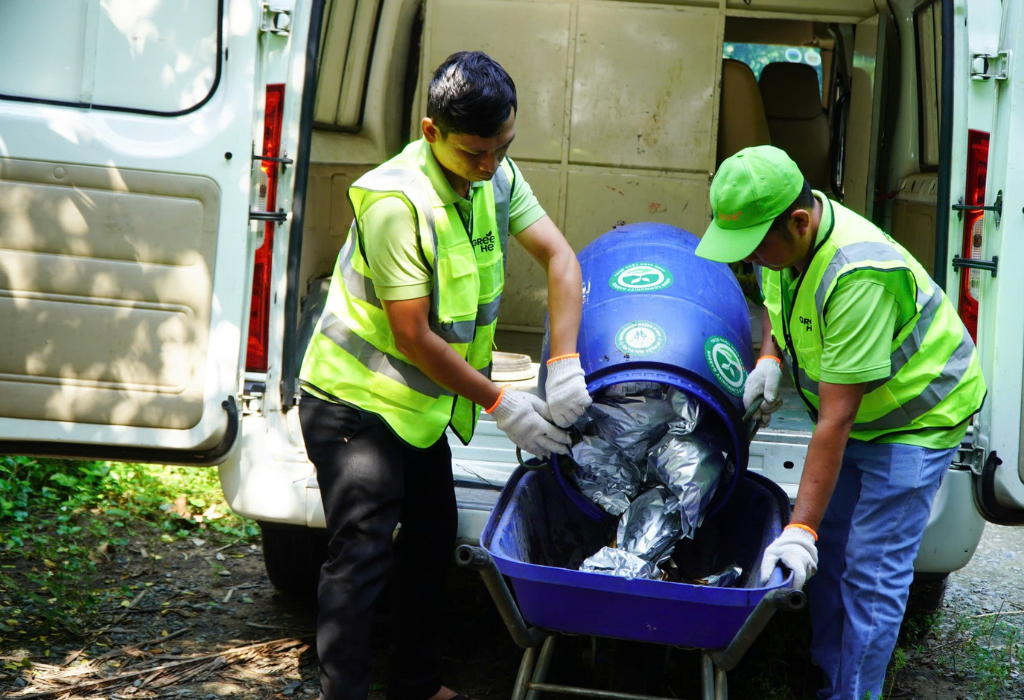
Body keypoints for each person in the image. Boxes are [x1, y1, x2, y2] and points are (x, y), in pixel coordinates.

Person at [297, 51, 591, 700]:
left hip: (418, 411)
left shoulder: (499, 177)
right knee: (363, 555)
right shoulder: (394, 201)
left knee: (431, 539)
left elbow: (561, 259)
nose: (488, 167)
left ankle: (416, 685)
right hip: (353, 405)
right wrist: (500, 404)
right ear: (431, 133)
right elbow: (411, 333)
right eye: (474, 153)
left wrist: (564, 362)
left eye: (501, 147)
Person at [695, 145, 986, 700]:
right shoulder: (785, 245)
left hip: (917, 418)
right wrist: (770, 357)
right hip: (861, 415)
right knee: (828, 559)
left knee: (870, 574)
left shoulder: (859, 274)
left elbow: (835, 420)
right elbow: (779, 306)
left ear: (799, 222)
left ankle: (856, 694)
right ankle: (829, 677)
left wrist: (797, 528)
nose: (748, 259)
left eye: (754, 247)